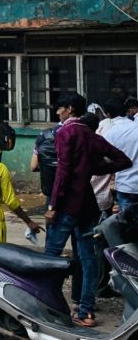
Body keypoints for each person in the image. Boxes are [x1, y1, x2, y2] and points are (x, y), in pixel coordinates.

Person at [45, 93, 132, 328]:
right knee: (87, 258)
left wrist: (53, 205)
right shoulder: (90, 135)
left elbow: (62, 172)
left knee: (48, 258)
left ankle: (45, 304)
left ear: (70, 109)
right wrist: (96, 167)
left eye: (60, 108)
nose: (57, 113)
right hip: (87, 205)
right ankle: (86, 311)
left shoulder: (65, 132)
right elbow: (124, 161)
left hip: (66, 205)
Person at [100, 99, 138, 212]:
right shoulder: (135, 127)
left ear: (108, 114)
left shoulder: (109, 134)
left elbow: (105, 160)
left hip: (126, 185)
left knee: (127, 226)